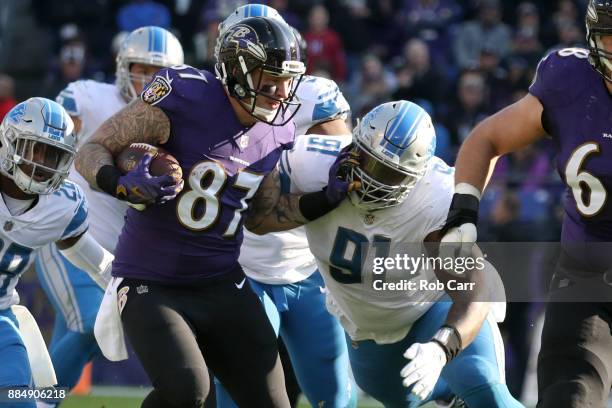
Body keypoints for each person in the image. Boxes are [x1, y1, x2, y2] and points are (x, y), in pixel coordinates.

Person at [76, 16, 357, 408]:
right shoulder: (185, 95)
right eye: (271, 78)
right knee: (190, 393)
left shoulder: (275, 128)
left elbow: (263, 216)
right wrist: (119, 183)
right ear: (238, 69)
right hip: (151, 281)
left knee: (272, 402)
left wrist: (326, 199)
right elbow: (92, 149)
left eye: (288, 79)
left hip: (220, 281)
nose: (281, 92)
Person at [289, 100, 522, 407]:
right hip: (368, 328)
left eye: (390, 174)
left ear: (416, 176)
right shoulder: (311, 163)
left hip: (433, 304)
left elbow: (473, 290)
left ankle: (463, 387)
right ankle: (449, 396)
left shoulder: (436, 194)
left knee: (483, 387)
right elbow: (257, 214)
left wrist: (442, 347)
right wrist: (314, 202)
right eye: (370, 163)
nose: (373, 180)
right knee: (397, 397)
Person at [439, 1, 612, 407]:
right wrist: (463, 211)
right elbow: (487, 138)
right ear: (594, 40)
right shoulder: (570, 81)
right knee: (568, 397)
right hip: (588, 277)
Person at [211, 5, 357, 408]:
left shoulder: (313, 95)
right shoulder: (205, 101)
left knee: (332, 394)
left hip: (305, 266)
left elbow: (347, 167)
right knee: (240, 385)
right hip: (237, 267)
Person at [34, 26, 184, 393]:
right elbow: (49, 139)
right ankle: (28, 400)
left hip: (123, 257)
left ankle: (33, 399)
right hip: (69, 234)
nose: (148, 79)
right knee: (89, 325)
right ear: (123, 66)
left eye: (158, 71)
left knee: (79, 332)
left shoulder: (179, 119)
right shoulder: (87, 95)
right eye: (141, 68)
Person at [0, 98, 113, 408]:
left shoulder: (62, 207)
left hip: (0, 316)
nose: (41, 163)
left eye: (52, 154)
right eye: (34, 149)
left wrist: (133, 288)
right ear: (9, 142)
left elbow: (93, 260)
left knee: (18, 403)